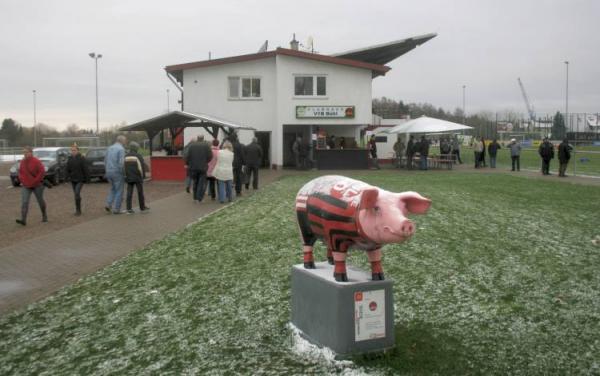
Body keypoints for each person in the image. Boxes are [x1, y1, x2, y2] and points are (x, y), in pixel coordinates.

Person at [15, 146, 47, 225]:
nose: (25, 154)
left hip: (37, 185)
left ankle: (44, 215)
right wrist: (21, 179)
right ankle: (23, 220)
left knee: (40, 201)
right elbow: (20, 172)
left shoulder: (36, 161)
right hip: (26, 185)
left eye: (26, 152)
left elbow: (42, 172)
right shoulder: (22, 162)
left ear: (31, 153)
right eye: (24, 152)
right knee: (24, 202)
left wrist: (35, 180)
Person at [185, 134, 213, 202]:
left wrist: (188, 163)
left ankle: (195, 198)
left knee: (195, 182)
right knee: (201, 183)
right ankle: (199, 198)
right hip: (203, 167)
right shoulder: (206, 146)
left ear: (197, 138)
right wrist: (206, 161)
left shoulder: (191, 146)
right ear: (203, 138)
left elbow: (187, 156)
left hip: (193, 167)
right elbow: (210, 156)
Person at [124, 141, 149, 213]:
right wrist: (143, 177)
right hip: (137, 177)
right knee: (140, 193)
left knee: (129, 193)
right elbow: (141, 168)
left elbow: (123, 167)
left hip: (129, 177)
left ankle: (129, 208)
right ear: (135, 148)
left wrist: (125, 176)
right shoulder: (138, 156)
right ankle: (142, 207)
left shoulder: (125, 156)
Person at [104, 135, 127, 214]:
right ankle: (117, 209)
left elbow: (105, 160)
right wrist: (124, 173)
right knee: (119, 190)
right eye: (125, 141)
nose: (125, 142)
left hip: (109, 171)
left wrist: (106, 171)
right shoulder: (121, 149)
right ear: (122, 141)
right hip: (117, 172)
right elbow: (121, 162)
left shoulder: (109, 148)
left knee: (113, 189)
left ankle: (108, 204)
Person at [66, 144, 90, 216]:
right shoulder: (70, 158)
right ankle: (77, 209)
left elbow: (85, 169)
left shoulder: (82, 158)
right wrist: (66, 178)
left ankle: (78, 210)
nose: (73, 152)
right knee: (76, 195)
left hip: (80, 179)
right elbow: (67, 169)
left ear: (78, 150)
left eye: (74, 150)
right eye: (72, 150)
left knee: (77, 193)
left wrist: (88, 179)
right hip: (73, 179)